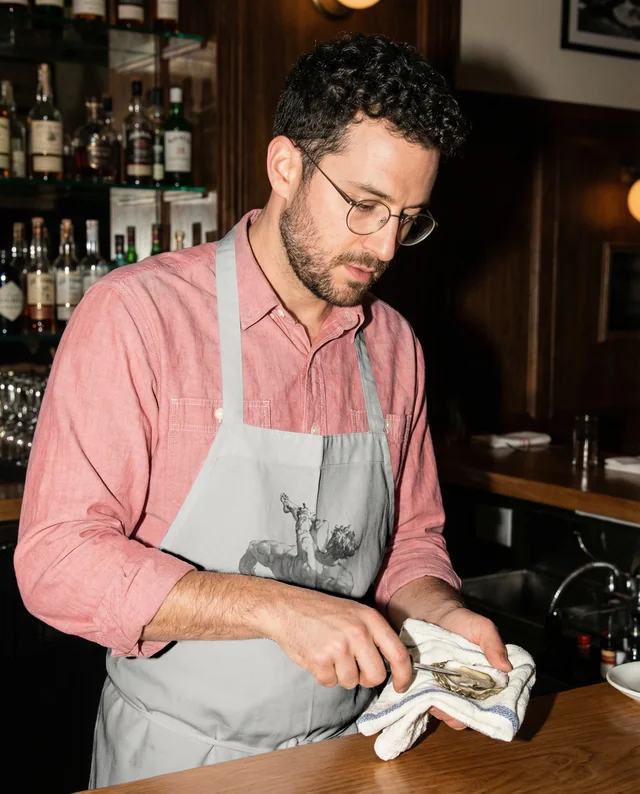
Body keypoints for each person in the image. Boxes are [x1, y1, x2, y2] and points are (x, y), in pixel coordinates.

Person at [14, 33, 511, 788]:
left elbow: (411, 541)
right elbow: (55, 561)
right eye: (365, 205)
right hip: (176, 760)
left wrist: (439, 615)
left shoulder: (396, 347)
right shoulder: (138, 317)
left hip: (352, 754)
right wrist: (276, 609)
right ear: (286, 166)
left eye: (409, 218)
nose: (385, 246)